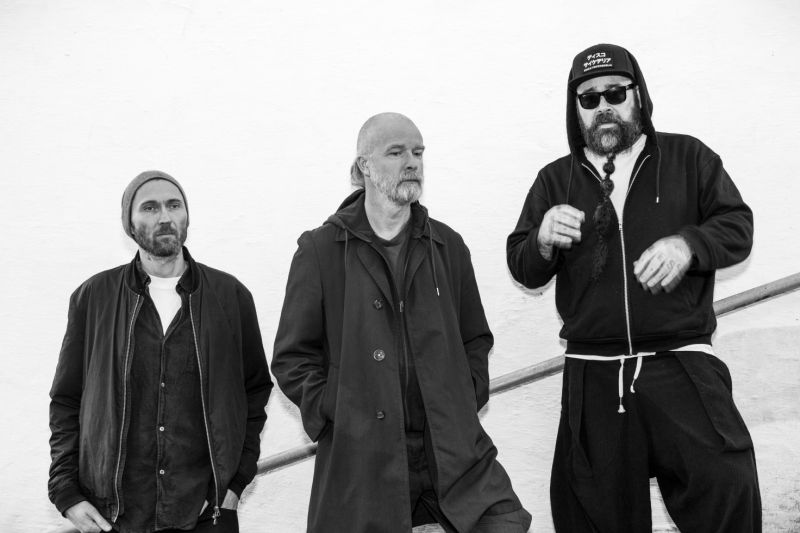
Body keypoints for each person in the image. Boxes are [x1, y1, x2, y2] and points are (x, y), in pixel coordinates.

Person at [507, 43, 760, 532]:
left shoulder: (688, 157)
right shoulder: (554, 180)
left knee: (728, 489)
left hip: (682, 364)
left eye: (615, 93)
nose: (603, 106)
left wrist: (690, 244)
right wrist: (540, 241)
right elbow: (523, 266)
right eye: (589, 98)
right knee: (591, 515)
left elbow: (737, 226)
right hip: (594, 375)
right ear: (576, 109)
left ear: (637, 96)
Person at [272, 113, 532, 532]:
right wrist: (337, 410)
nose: (411, 162)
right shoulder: (320, 250)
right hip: (363, 459)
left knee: (504, 522)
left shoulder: (447, 245)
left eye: (418, 152)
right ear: (364, 166)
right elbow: (292, 357)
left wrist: (463, 398)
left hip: (452, 450)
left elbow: (475, 338)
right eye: (396, 153)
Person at [48, 171, 273, 533]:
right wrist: (65, 492)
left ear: (187, 216)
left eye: (174, 205)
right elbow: (66, 401)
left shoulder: (230, 297)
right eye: (150, 208)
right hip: (113, 517)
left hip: (206, 514)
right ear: (129, 224)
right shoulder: (94, 298)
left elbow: (255, 392)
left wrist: (234, 483)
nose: (165, 217)